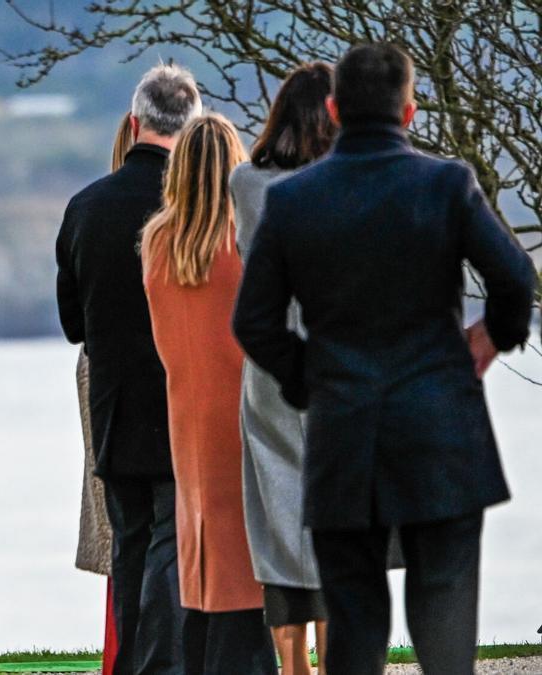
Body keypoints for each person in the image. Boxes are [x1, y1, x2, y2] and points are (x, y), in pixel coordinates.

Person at [232, 43, 537, 675]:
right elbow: (515, 280)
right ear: (411, 112)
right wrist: (485, 341)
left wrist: (307, 379)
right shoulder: (445, 184)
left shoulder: (293, 201)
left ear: (337, 109)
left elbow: (253, 323)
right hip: (442, 426)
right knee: (445, 612)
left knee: (355, 619)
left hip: (343, 427)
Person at [56, 62, 202, 675]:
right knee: (173, 539)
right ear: (193, 125)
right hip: (184, 396)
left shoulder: (86, 207)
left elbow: (72, 324)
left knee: (134, 544)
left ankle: (134, 664)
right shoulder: (200, 202)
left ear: (135, 121)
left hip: (115, 403)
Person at [141, 113, 276, 675]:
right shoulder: (245, 239)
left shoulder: (157, 241)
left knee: (200, 556)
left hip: (186, 415)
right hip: (245, 414)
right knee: (246, 562)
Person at [229, 62, 335, 675]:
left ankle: (292, 665)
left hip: (269, 366)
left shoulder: (246, 182)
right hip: (335, 359)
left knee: (278, 519)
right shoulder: (346, 181)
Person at [74, 111, 134, 675]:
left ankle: (120, 656)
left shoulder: (90, 210)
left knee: (120, 516)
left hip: (100, 366)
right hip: (138, 372)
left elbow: (73, 317)